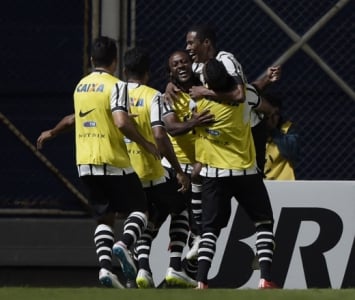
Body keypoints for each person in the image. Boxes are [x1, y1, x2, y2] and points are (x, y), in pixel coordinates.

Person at [38, 36, 160, 289]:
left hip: (85, 163)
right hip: (113, 159)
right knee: (140, 210)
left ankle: (106, 270)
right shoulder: (116, 86)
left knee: (105, 218)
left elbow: (74, 119)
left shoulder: (81, 86)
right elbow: (121, 121)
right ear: (115, 61)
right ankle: (123, 244)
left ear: (92, 60)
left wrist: (52, 131)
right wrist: (145, 143)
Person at [193, 58, 278, 289]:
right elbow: (261, 103)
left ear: (207, 83)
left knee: (209, 229)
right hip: (245, 172)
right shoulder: (246, 97)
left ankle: (201, 281)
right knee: (263, 222)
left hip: (214, 174)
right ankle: (265, 278)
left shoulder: (197, 104)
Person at [122, 47, 197, 288]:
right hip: (154, 171)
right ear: (148, 73)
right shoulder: (154, 96)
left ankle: (142, 268)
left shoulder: (115, 93)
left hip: (126, 173)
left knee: (147, 220)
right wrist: (178, 170)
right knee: (180, 209)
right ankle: (175, 266)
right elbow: (162, 135)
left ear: (124, 70)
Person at [161, 50, 215, 278]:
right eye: (176, 64)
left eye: (184, 62)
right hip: (174, 170)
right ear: (170, 71)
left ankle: (183, 272)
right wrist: (194, 121)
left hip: (201, 167)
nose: (181, 66)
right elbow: (171, 128)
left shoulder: (203, 88)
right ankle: (167, 268)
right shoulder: (166, 97)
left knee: (200, 224)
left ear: (192, 64)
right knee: (173, 218)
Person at [262, 91, 300, 180]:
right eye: (267, 114)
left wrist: (273, 131)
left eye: (276, 114)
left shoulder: (287, 129)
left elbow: (292, 153)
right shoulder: (249, 128)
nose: (272, 118)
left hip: (282, 182)